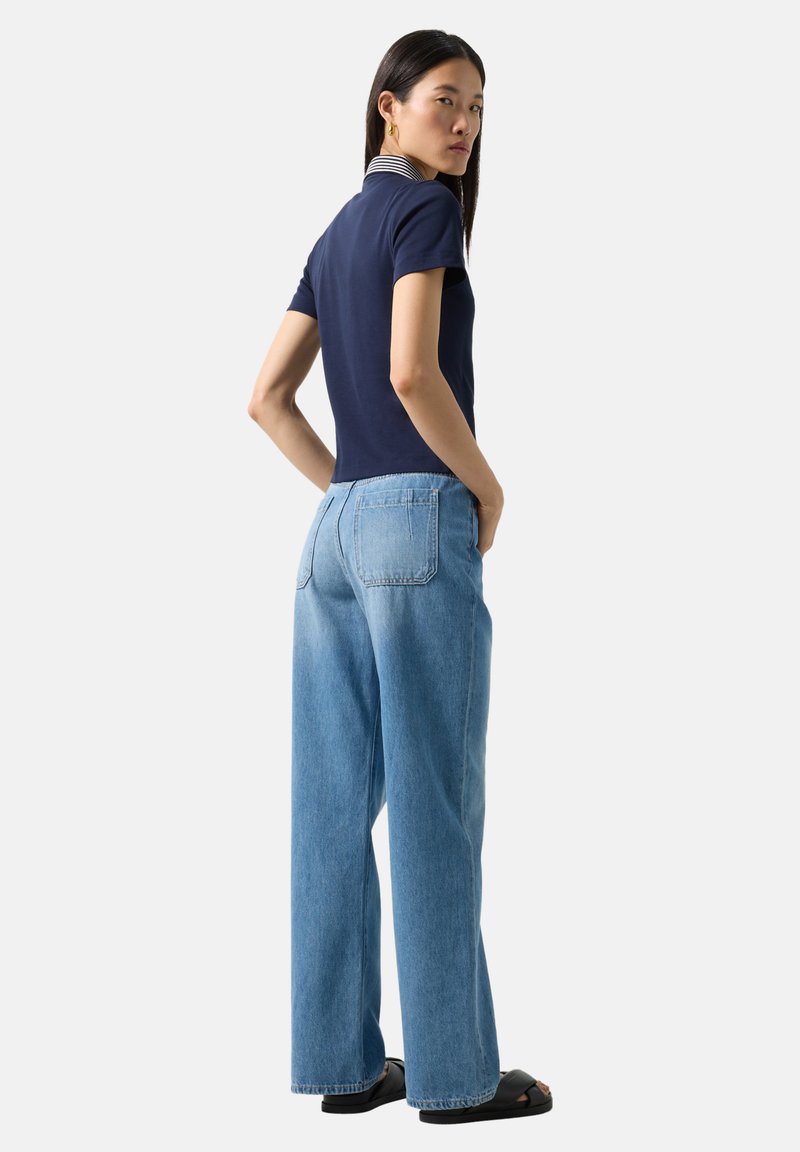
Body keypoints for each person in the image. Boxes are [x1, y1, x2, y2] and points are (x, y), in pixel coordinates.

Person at [247, 28, 552, 1124]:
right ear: (389, 105)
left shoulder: (336, 230)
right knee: (433, 799)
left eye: (476, 108)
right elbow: (412, 373)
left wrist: (351, 490)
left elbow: (265, 398)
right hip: (418, 521)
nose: (462, 125)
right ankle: (454, 1079)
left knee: (331, 803)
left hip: (333, 533)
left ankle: (342, 1065)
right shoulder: (422, 211)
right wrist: (485, 487)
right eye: (444, 100)